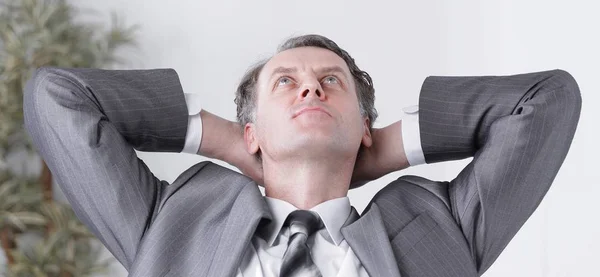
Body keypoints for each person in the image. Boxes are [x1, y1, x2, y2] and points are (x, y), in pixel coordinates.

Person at [23, 34, 581, 277]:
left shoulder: (436, 226)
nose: (310, 89)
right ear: (253, 130)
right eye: (285, 82)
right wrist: (226, 142)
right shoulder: (177, 220)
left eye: (330, 82)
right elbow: (56, 98)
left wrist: (384, 148)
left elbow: (548, 100)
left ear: (363, 125)